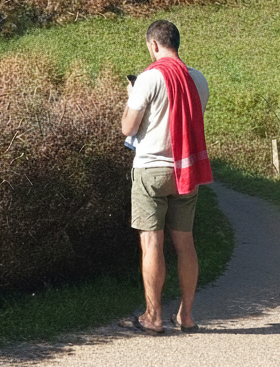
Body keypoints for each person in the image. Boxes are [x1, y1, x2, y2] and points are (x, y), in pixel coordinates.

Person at [121, 19, 212, 334]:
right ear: (176, 42)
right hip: (186, 168)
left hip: (151, 168)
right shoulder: (197, 80)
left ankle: (153, 317)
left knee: (152, 243)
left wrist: (131, 95)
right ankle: (186, 316)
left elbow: (128, 129)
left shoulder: (148, 79)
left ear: (153, 45)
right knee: (185, 243)